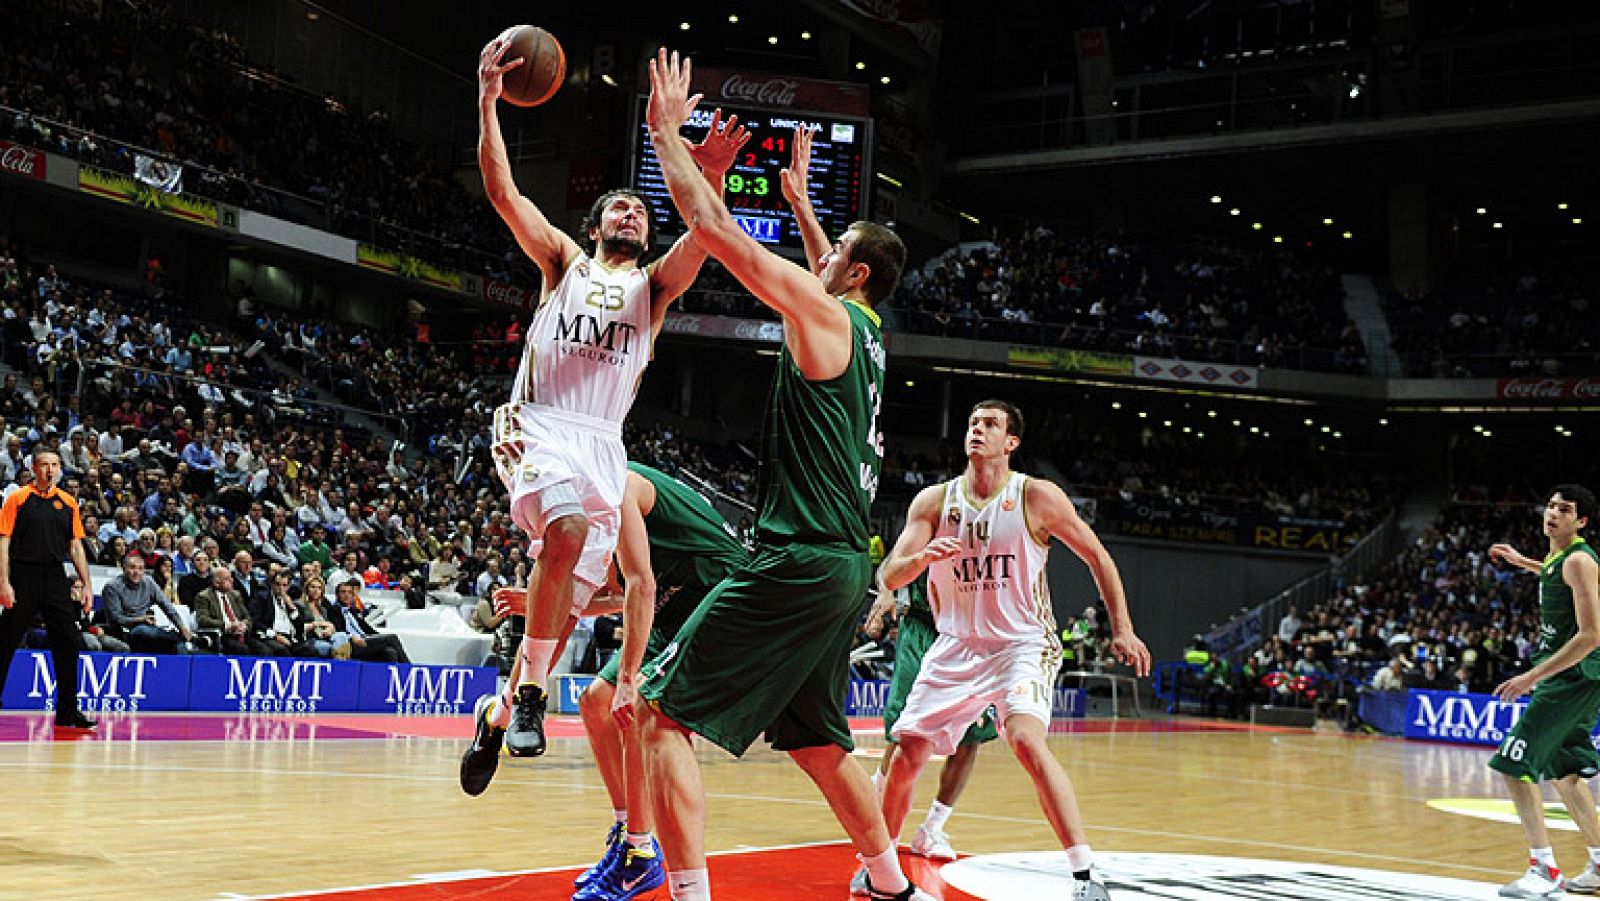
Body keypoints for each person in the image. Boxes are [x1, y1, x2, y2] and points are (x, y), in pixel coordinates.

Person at [636, 50, 919, 901]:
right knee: (819, 741)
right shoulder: (870, 333)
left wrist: (666, 137)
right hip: (843, 568)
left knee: (659, 711)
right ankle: (889, 881)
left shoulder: (825, 314)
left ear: (852, 275)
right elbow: (832, 270)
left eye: (833, 256)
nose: (817, 258)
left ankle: (689, 893)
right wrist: (801, 206)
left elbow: (717, 234)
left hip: (795, 559)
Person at [469, 30, 749, 762]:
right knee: (563, 533)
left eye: (640, 212)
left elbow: (707, 237)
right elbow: (504, 194)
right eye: (618, 209)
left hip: (601, 442)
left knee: (565, 598)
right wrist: (489, 102)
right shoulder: (562, 261)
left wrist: (709, 175)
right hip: (537, 423)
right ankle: (535, 699)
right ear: (593, 227)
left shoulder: (653, 288)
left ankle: (499, 710)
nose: (630, 214)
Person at [873, 400, 1152, 901]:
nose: (977, 431)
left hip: (1021, 644)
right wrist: (921, 557)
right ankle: (881, 869)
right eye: (972, 423)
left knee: (1025, 739)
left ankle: (1086, 875)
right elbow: (889, 575)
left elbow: (1097, 556)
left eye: (990, 425)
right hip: (955, 645)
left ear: (1012, 442)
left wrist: (1123, 628)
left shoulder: (1036, 496)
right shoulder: (934, 502)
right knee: (908, 753)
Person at [1486, 484, 1600, 898]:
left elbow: (1591, 635)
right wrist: (1523, 562)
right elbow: (1556, 574)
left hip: (1572, 677)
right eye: (1550, 506)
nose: (1553, 513)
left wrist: (1530, 677)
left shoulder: (1580, 561)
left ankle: (1544, 869)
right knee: (1565, 774)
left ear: (1580, 521)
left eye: (1564, 509)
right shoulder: (1561, 558)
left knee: (1513, 764)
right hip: (1576, 677)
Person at [861, 574, 996, 862]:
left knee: (971, 736)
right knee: (905, 730)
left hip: (969, 636)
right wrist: (886, 590)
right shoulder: (927, 539)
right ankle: (879, 805)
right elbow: (891, 563)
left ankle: (932, 829)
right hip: (922, 627)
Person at [0, 450, 97, 728]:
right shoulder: (18, 498)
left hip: (55, 577)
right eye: (44, 465)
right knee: (5, 641)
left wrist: (87, 585)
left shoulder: (68, 502)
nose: (50, 470)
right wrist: (4, 581)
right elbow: (4, 541)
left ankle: (68, 711)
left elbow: (75, 547)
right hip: (23, 575)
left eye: (55, 465)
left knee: (69, 641)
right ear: (34, 468)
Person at [101, 553, 195, 653]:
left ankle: (184, 655)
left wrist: (182, 628)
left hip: (147, 629)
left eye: (140, 569)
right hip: (124, 630)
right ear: (124, 569)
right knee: (144, 631)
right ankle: (184, 638)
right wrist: (140, 619)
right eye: (132, 568)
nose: (136, 572)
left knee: (178, 645)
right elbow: (116, 619)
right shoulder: (112, 587)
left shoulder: (148, 582)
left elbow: (167, 607)